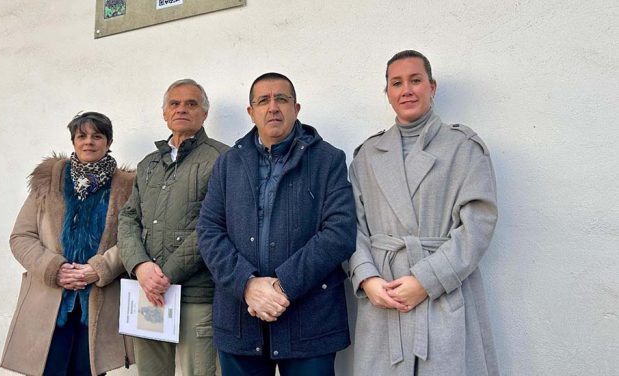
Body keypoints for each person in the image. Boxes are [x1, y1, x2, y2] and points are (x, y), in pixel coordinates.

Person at [348, 50, 500, 375]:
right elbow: (352, 227)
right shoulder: (366, 156)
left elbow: (478, 225)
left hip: (444, 290)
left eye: (415, 80)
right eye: (397, 83)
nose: (407, 90)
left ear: (432, 86)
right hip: (385, 295)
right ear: (387, 92)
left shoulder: (463, 148)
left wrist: (426, 280)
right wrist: (368, 278)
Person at [197, 72, 356, 375]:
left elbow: (340, 232)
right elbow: (208, 230)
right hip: (240, 320)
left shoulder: (328, 160)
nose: (273, 107)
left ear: (296, 108)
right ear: (251, 112)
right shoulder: (228, 164)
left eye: (281, 99)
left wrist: (283, 286)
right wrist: (247, 284)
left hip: (310, 321)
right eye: (263, 100)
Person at [1, 112, 135, 376]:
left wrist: (99, 268)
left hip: (99, 300)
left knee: (88, 370)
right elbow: (21, 237)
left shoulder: (128, 187)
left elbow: (133, 239)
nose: (89, 142)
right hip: (50, 300)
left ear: (108, 142)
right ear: (73, 141)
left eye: (97, 136)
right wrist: (55, 268)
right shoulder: (47, 181)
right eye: (81, 136)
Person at [118, 78, 228, 376]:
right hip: (148, 296)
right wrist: (140, 266)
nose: (182, 109)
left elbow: (216, 224)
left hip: (197, 296)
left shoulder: (224, 159)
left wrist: (165, 274)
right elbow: (128, 219)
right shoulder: (148, 164)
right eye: (174, 104)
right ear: (165, 113)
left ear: (204, 114)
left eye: (191, 103)